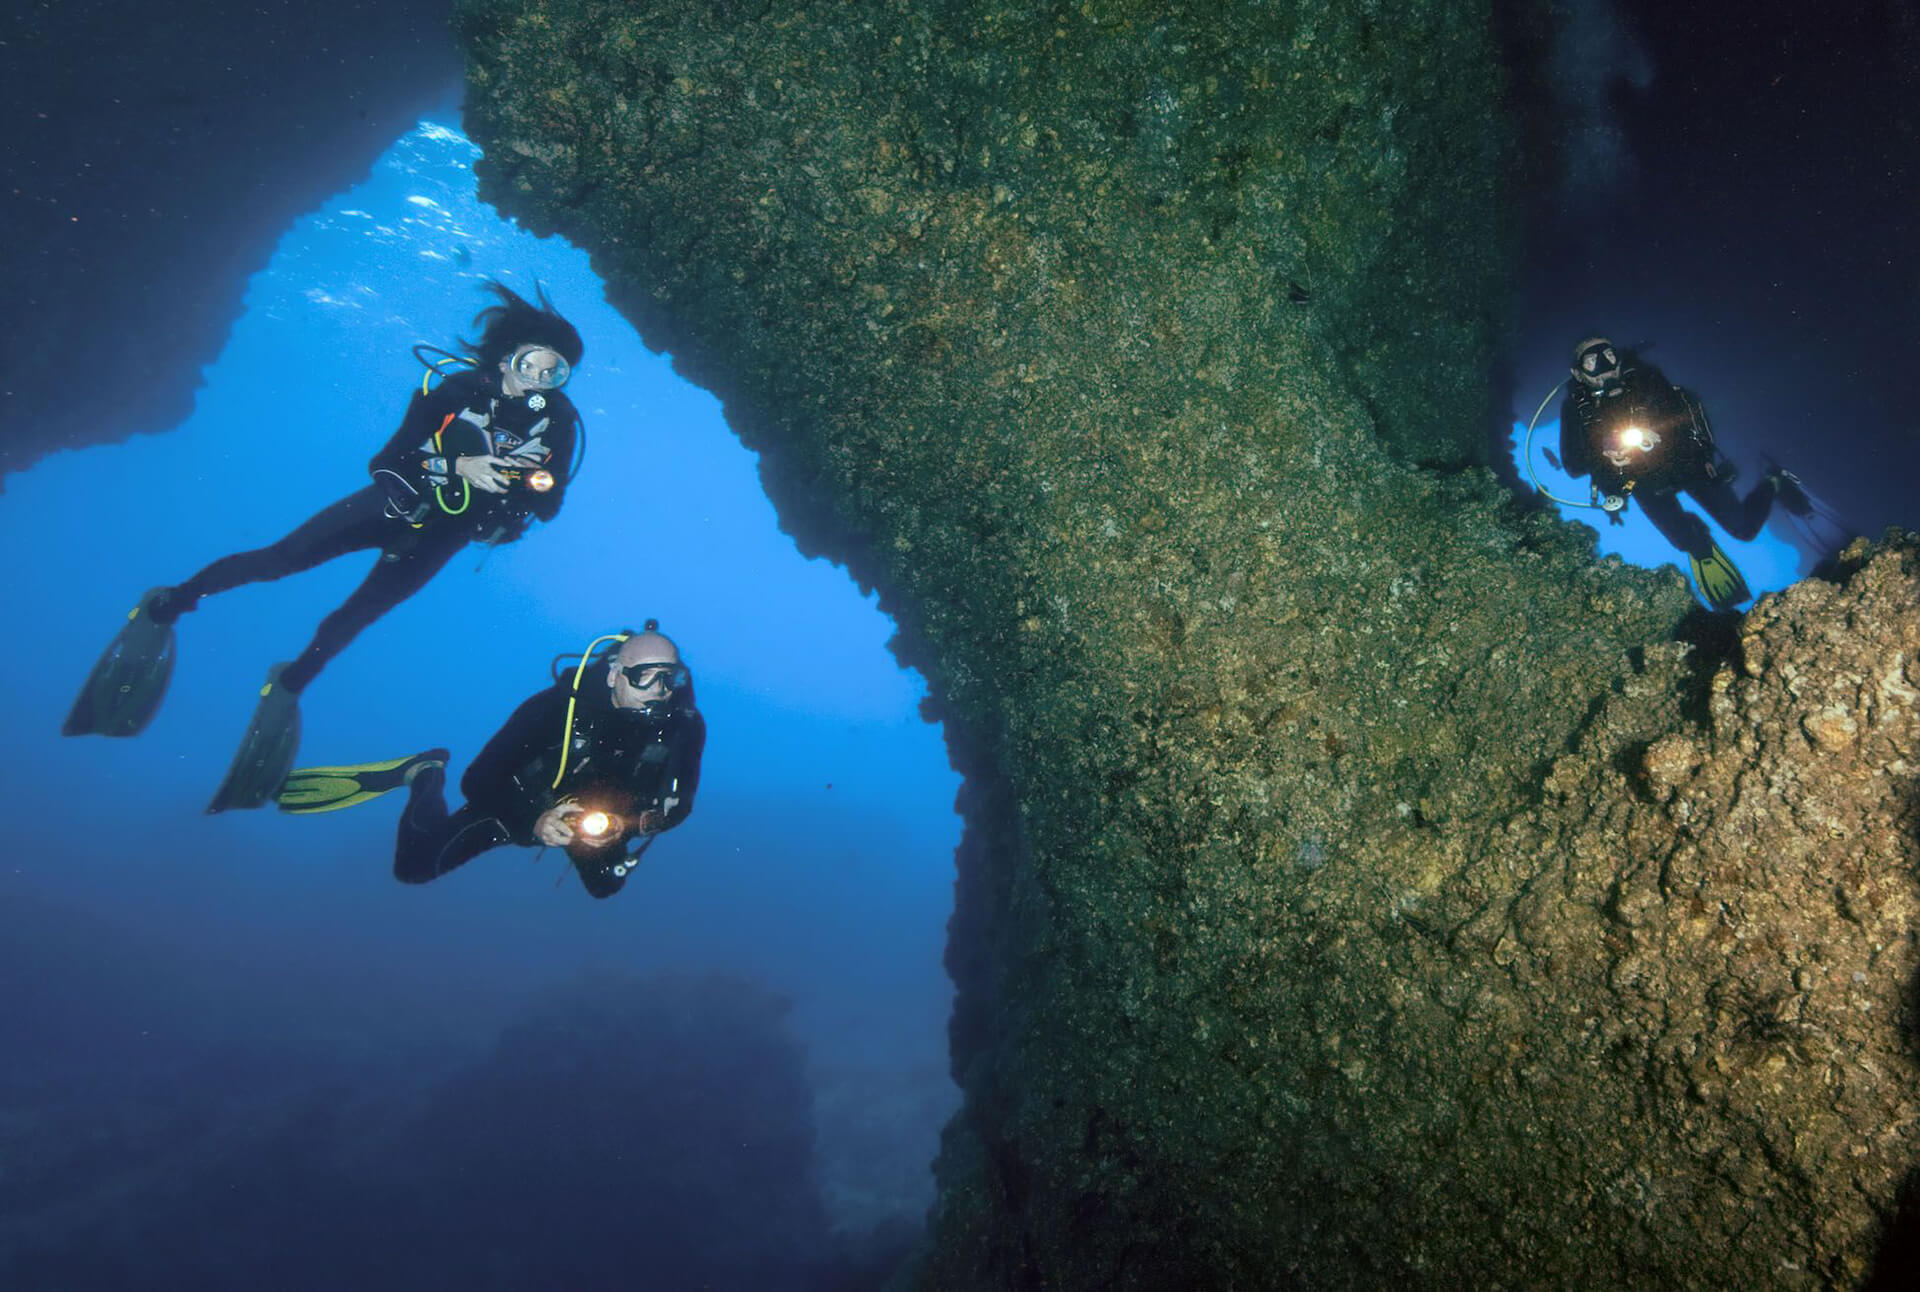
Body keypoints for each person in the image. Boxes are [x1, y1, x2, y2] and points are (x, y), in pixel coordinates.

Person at [64, 280, 586, 812]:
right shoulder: (455, 392)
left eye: (556, 373)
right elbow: (388, 461)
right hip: (388, 505)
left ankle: (290, 685)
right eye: (532, 365)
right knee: (279, 561)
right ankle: (170, 603)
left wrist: (528, 484)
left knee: (354, 618)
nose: (540, 381)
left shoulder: (559, 424)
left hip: (444, 534)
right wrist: (458, 464)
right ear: (506, 356)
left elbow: (550, 505)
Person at [279, 624, 706, 899]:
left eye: (669, 677)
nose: (659, 690)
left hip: (598, 819)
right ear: (614, 674)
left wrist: (626, 825)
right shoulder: (554, 709)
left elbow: (680, 803)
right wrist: (534, 820)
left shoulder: (684, 726)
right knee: (414, 867)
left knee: (606, 887)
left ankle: (585, 833)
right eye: (644, 676)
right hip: (522, 804)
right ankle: (425, 772)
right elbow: (478, 780)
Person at [1557, 336, 1811, 610]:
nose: (1605, 368)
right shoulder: (1575, 408)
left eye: (1608, 356)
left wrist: (1680, 443)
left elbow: (1686, 413)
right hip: (1641, 481)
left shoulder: (1646, 378)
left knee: (1744, 529)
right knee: (1688, 543)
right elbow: (1573, 466)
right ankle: (1696, 536)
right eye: (1592, 362)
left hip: (1686, 463)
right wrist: (1605, 455)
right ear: (1578, 374)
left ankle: (1773, 482)